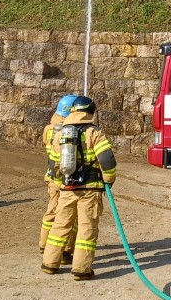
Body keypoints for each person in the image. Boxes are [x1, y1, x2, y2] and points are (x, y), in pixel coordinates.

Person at [42, 95, 116, 280]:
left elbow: (54, 162)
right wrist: (109, 179)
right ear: (90, 112)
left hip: (67, 188)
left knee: (60, 225)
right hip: (90, 189)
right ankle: (81, 270)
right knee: (86, 228)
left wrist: (61, 182)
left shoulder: (61, 133)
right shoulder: (94, 133)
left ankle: (50, 264)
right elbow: (107, 160)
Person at [39, 94, 79, 259]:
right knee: (70, 215)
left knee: (52, 211)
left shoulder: (49, 129)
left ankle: (44, 244)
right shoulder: (70, 131)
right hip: (66, 179)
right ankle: (65, 249)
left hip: (52, 177)